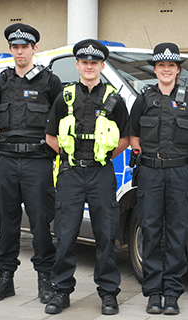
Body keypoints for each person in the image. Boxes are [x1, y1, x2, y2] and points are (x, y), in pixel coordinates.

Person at [44, 39, 129, 315]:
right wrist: (71, 159)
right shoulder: (65, 97)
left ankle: (107, 293)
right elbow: (50, 137)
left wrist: (100, 159)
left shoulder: (114, 99)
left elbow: (125, 138)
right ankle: (60, 291)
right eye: (84, 62)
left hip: (100, 173)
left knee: (106, 235)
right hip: (70, 173)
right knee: (66, 234)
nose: (89, 66)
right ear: (78, 65)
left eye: (95, 63)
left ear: (102, 66)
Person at [0, 23, 62, 303]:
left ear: (34, 49)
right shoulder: (0, 82)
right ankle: (5, 279)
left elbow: (60, 120)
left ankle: (45, 280)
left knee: (41, 222)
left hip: (37, 162)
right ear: (10, 50)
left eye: (24, 47)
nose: (20, 51)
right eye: (15, 47)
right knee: (6, 223)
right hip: (5, 161)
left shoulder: (50, 82)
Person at [128, 42, 188, 315]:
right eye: (161, 66)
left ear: (178, 70)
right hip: (150, 172)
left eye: (171, 66)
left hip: (179, 173)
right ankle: (153, 292)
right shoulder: (144, 99)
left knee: (176, 232)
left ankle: (171, 292)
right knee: (151, 231)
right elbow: (133, 134)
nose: (166, 70)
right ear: (155, 69)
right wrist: (141, 154)